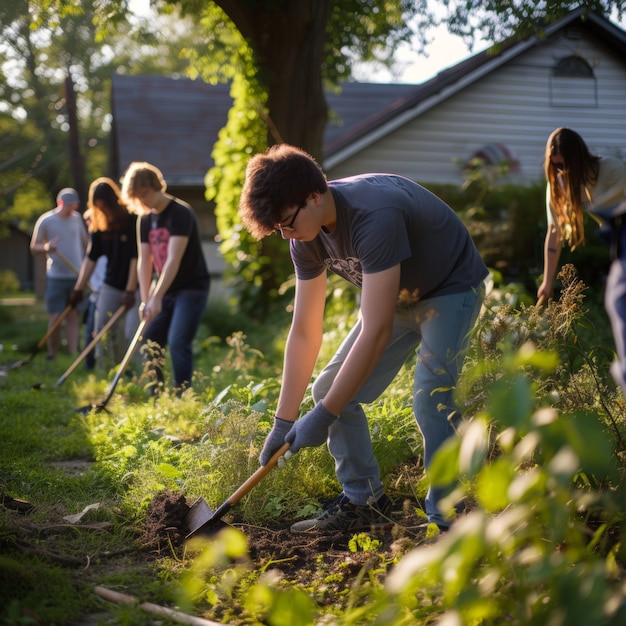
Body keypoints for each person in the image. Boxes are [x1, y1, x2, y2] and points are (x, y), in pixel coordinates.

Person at [239, 144, 488, 533]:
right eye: (278, 229)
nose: (286, 234)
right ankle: (364, 502)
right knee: (328, 389)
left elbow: (376, 331)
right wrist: (282, 420)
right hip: (399, 297)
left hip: (450, 288)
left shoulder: (374, 215)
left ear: (314, 196)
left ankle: (447, 520)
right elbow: (305, 330)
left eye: (286, 222)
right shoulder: (303, 236)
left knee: (430, 397)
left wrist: (322, 418)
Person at [538, 127, 626, 393]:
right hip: (620, 244)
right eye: (556, 168)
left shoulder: (609, 167)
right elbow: (554, 235)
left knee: (617, 300)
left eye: (564, 165)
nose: (561, 172)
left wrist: (582, 199)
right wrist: (546, 281)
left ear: (577, 159)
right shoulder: (560, 186)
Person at [121, 162, 210, 393]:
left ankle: (182, 394)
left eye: (145, 194)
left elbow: (173, 259)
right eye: (137, 198)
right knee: (150, 339)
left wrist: (156, 297)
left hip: (191, 287)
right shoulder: (145, 219)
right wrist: (145, 299)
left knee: (178, 340)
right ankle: (156, 392)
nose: (143, 201)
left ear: (157, 186)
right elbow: (145, 260)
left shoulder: (181, 213)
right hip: (165, 288)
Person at [69, 178, 140, 368]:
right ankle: (106, 371)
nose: (103, 211)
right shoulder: (99, 226)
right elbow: (90, 258)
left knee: (129, 332)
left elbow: (136, 257)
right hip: (111, 284)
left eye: (106, 206)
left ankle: (133, 372)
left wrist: (131, 290)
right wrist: (78, 289)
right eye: (99, 208)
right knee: (101, 330)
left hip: (136, 286)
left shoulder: (131, 220)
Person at [30, 188, 89, 359]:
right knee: (56, 315)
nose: (72, 209)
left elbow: (86, 244)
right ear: (60, 203)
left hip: (76, 275)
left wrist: (89, 268)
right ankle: (52, 353)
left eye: (74, 206)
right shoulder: (46, 220)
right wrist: (47, 247)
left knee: (72, 315)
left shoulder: (77, 219)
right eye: (69, 206)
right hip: (56, 276)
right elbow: (34, 247)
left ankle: (72, 353)